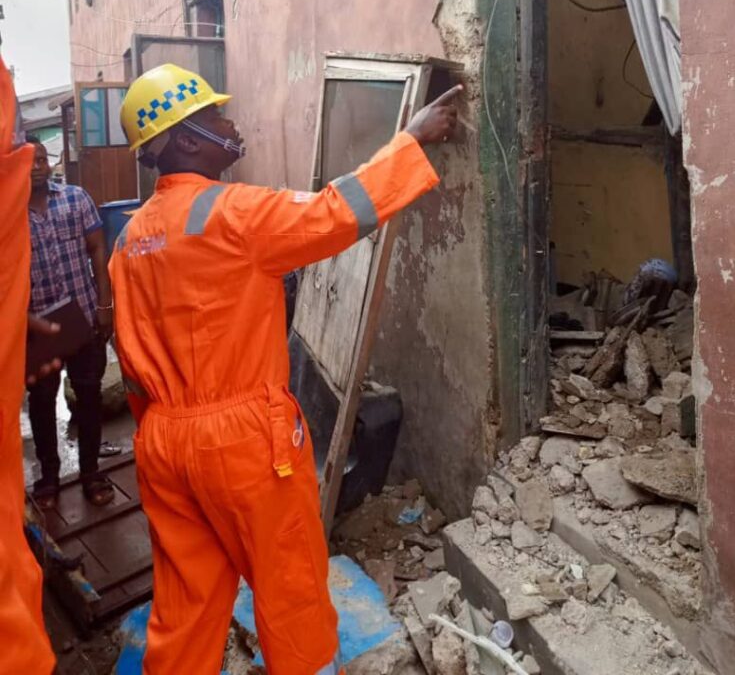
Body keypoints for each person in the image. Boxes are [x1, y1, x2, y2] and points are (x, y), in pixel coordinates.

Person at [110, 62, 461, 675]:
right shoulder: (232, 213)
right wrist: (411, 140)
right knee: (289, 586)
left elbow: (133, 361)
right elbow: (335, 213)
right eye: (215, 117)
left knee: (186, 605)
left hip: (162, 443)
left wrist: (166, 431)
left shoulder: (130, 241)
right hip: (243, 441)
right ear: (188, 140)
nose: (231, 124)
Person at [0, 56, 56, 674]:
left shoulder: (71, 205)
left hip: (42, 335)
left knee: (80, 405)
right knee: (45, 416)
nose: (29, 159)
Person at [27, 135, 115, 508]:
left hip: (82, 315)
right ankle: (49, 476)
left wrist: (104, 304)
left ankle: (91, 471)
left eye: (42, 159)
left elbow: (97, 249)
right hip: (39, 325)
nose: (37, 166)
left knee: (89, 395)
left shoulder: (76, 198)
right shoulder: (5, 212)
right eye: (29, 161)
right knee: (43, 400)